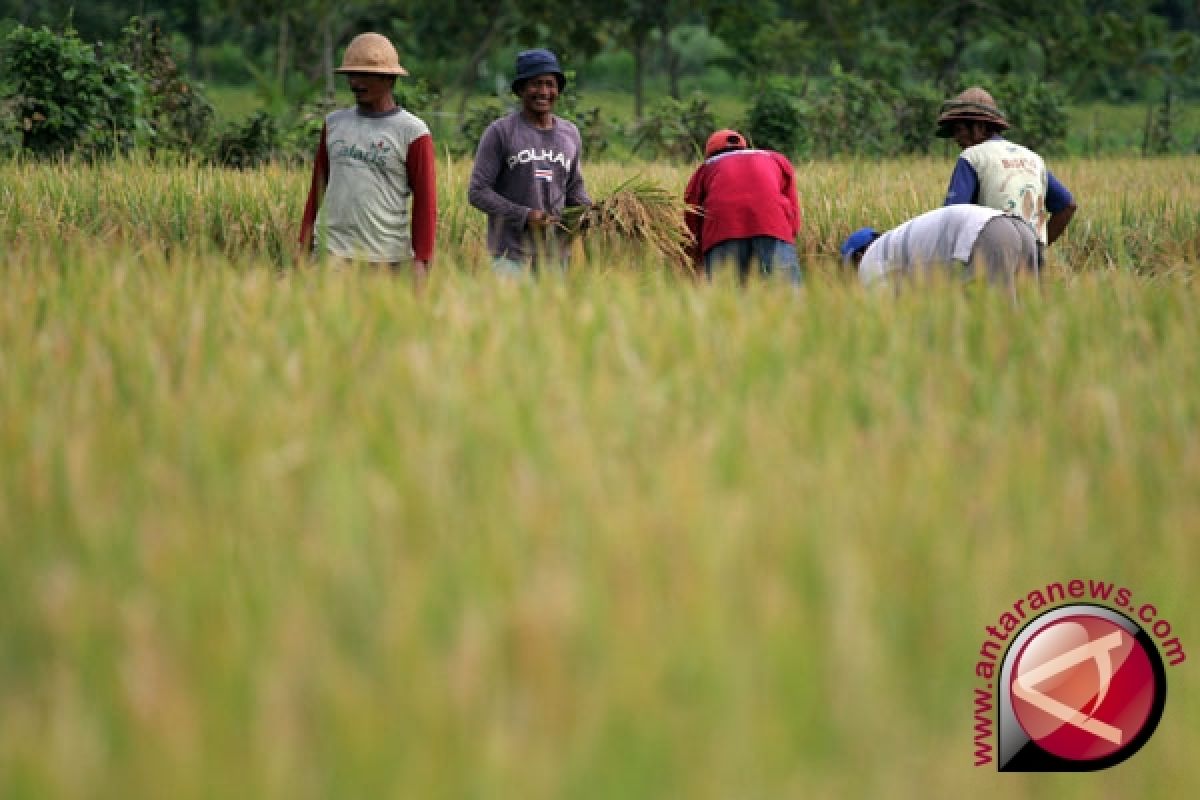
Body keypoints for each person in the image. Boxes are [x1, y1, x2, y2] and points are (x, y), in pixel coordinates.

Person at [298, 32, 435, 286]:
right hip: (332, 254)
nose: (355, 82)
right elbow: (317, 188)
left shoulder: (413, 131)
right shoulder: (334, 124)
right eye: (351, 75)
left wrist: (421, 259)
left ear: (388, 78)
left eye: (364, 75)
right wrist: (303, 244)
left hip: (388, 259)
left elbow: (426, 201)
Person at [467, 48, 590, 276]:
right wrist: (524, 215)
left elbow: (574, 190)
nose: (543, 91)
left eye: (550, 84)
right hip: (510, 257)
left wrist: (595, 213)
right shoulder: (501, 132)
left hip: (556, 259)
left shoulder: (570, 134)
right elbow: (477, 191)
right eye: (535, 84)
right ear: (521, 89)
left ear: (558, 90)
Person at [936, 87, 1076, 267]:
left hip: (993, 252)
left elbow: (952, 215)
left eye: (958, 129)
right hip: (1032, 255)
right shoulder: (1033, 158)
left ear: (979, 126)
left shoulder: (972, 157)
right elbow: (1068, 206)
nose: (956, 138)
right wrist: (1038, 247)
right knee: (1028, 296)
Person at [683, 129, 802, 285]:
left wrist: (694, 252)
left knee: (726, 298)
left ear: (710, 152)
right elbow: (792, 203)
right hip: (773, 227)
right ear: (743, 147)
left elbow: (692, 211)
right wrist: (789, 236)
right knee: (787, 294)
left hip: (722, 232)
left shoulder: (707, 167)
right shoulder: (774, 158)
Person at [840, 205, 1039, 297]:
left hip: (985, 234)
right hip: (1018, 227)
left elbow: (887, 322)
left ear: (858, 256)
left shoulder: (870, 262)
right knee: (1027, 316)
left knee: (996, 326)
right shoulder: (897, 242)